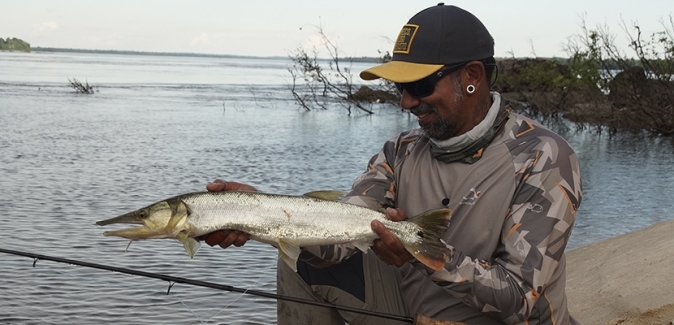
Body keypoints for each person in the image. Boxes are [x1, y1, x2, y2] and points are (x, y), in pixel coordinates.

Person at [202, 3, 582, 325]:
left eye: (419, 87)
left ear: (471, 77)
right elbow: (338, 241)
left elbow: (519, 296)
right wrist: (256, 215)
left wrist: (423, 253)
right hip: (411, 312)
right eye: (400, 88)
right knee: (299, 259)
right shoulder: (400, 151)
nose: (406, 103)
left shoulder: (544, 156)